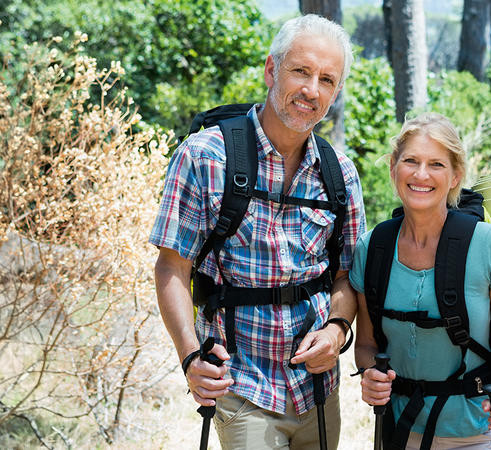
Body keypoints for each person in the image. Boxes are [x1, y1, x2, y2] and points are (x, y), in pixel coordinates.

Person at [150, 14, 366, 450]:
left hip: (318, 390)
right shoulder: (206, 156)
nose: (311, 90)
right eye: (300, 71)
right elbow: (172, 266)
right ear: (272, 70)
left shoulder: (339, 173)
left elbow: (347, 275)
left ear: (336, 92)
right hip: (241, 385)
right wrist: (191, 358)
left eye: (327, 80)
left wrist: (338, 330)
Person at [350, 113, 491, 449]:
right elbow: (367, 344)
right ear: (393, 167)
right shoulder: (372, 247)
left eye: (436, 164)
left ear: (455, 175)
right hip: (400, 431)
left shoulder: (488, 243)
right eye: (411, 161)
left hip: (478, 434)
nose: (421, 174)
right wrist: (369, 373)